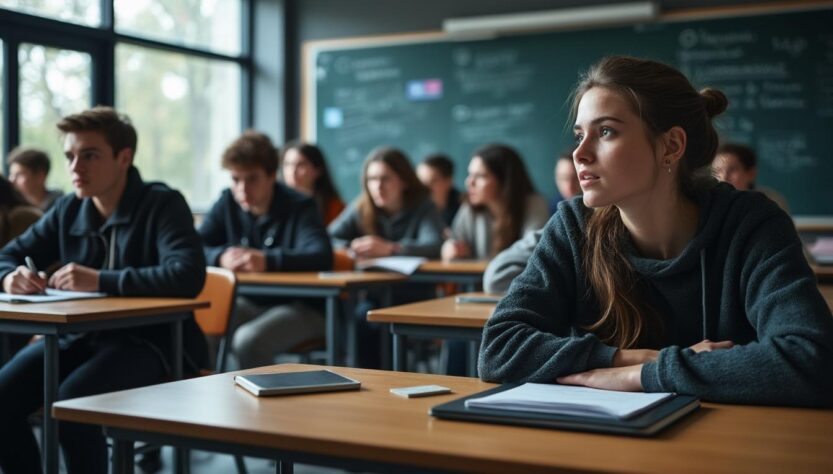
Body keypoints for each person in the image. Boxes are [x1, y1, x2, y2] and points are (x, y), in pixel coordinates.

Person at [478, 56, 833, 407]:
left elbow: (813, 359)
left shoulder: (752, 224)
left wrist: (643, 377)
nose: (580, 154)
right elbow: (498, 349)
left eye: (605, 132)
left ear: (671, 146)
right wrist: (631, 359)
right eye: (579, 135)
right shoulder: (574, 226)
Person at [0, 106, 209, 473]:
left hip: (153, 342)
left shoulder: (162, 204)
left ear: (124, 157)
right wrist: (8, 276)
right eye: (70, 156)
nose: (75, 168)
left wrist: (101, 279)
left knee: (72, 406)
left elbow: (188, 275)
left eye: (90, 155)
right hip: (80, 338)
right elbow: (9, 255)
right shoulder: (69, 208)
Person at [199, 131, 333, 369]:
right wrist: (221, 256)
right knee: (202, 326)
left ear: (272, 176)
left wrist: (268, 261)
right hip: (250, 300)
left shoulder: (300, 206)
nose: (242, 189)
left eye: (252, 179)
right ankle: (213, 400)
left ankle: (260, 406)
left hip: (301, 306)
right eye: (235, 179)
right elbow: (193, 247)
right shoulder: (227, 202)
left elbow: (321, 256)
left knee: (248, 341)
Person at [328, 147, 444, 368]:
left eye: (385, 179)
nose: (377, 186)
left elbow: (434, 246)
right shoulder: (361, 207)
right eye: (371, 179)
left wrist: (391, 249)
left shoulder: (423, 206)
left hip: (415, 296)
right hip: (375, 296)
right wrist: (352, 247)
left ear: (404, 181)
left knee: (380, 322)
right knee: (361, 319)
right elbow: (327, 239)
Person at [441, 144, 549, 261]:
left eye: (480, 176)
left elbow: (533, 250)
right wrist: (448, 248)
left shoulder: (535, 204)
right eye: (470, 175)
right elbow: (454, 240)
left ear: (505, 180)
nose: (469, 182)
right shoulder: (470, 208)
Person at [280, 140, 345, 225]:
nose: (292, 171)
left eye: (301, 165)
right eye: (287, 164)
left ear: (318, 170)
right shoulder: (275, 205)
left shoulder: (335, 208)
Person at [712, 143, 789, 212]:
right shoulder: (710, 204)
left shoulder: (771, 202)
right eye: (718, 170)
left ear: (751, 174)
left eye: (732, 170)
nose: (724, 177)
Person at [7, 147, 63, 211]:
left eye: (19, 175)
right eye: (11, 174)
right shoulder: (12, 208)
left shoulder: (59, 208)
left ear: (40, 176)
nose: (11, 180)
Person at [416, 153, 461, 228]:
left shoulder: (464, 208)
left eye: (432, 181)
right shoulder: (411, 208)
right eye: (420, 182)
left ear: (448, 181)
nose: (424, 187)